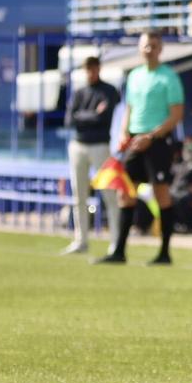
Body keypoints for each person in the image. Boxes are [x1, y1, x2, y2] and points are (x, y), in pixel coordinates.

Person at [95, 31, 185, 266]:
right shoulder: (134, 76)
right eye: (146, 45)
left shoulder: (168, 78)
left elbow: (176, 115)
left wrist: (151, 136)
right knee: (125, 193)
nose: (149, 50)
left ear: (160, 49)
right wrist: (124, 133)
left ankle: (165, 253)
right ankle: (119, 250)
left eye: (154, 46)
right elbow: (129, 109)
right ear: (139, 48)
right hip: (135, 140)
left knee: (161, 194)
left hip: (158, 141)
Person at [64, 56, 121, 255]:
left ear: (99, 69)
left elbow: (104, 117)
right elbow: (70, 119)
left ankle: (115, 242)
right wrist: (92, 115)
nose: (90, 72)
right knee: (79, 194)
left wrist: (85, 116)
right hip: (78, 145)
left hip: (100, 146)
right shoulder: (79, 93)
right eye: (87, 69)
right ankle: (81, 240)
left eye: (93, 68)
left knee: (109, 194)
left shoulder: (109, 91)